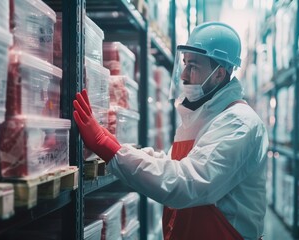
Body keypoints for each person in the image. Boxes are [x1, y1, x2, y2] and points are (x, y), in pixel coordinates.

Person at [73, 22, 269, 240]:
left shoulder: (239, 123)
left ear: (219, 74)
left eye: (193, 66)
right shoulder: (203, 116)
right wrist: (120, 148)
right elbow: (172, 164)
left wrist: (110, 148)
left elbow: (187, 182)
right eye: (184, 63)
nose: (184, 74)